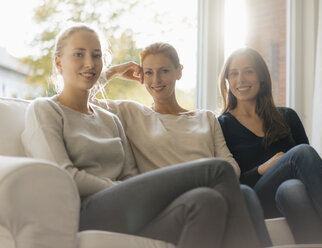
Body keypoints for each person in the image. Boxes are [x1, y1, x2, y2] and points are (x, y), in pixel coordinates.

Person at [21, 23, 264, 248]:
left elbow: (130, 175)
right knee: (217, 170)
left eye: (96, 56)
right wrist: (114, 71)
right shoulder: (45, 109)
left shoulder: (110, 119)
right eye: (79, 54)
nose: (90, 63)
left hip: (126, 207)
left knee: (206, 201)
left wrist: (126, 187)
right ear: (58, 62)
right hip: (83, 211)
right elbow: (66, 176)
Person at [96, 42, 271, 246]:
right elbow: (78, 97)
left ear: (179, 72)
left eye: (164, 71)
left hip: (210, 194)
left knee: (245, 193)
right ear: (141, 76)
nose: (156, 80)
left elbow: (230, 166)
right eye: (149, 73)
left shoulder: (205, 118)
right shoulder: (132, 113)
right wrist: (114, 71)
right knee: (226, 186)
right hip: (170, 205)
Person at [217, 47, 322, 244]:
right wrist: (263, 168)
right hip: (256, 199)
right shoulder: (222, 125)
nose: (240, 79)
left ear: (261, 76)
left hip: (292, 197)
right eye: (233, 73)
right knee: (301, 153)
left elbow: (312, 170)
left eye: (248, 71)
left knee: (292, 187)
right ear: (227, 80)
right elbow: (232, 183)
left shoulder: (287, 117)